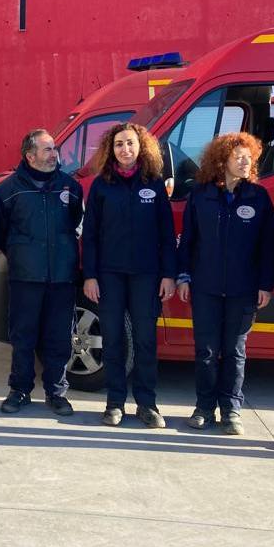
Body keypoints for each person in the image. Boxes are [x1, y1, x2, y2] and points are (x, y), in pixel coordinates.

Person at [176, 132, 274, 435]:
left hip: (243, 289)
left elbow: (267, 246)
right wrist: (184, 276)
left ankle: (232, 409)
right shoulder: (200, 195)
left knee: (235, 351)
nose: (245, 162)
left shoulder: (258, 197)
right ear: (222, 160)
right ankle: (204, 407)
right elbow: (188, 241)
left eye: (249, 157)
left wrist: (265, 284)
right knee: (205, 351)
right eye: (238, 157)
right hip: (205, 286)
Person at [83, 123, 176, 428]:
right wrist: (90, 276)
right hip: (109, 276)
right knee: (113, 340)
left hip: (146, 276)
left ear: (141, 147)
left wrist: (168, 275)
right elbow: (92, 236)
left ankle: (147, 404)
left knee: (146, 340)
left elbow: (166, 233)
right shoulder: (101, 186)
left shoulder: (153, 183)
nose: (125, 149)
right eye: (119, 144)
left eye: (131, 144)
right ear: (112, 148)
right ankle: (114, 403)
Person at [0, 129, 83, 417]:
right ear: (29, 155)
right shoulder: (9, 190)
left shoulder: (70, 187)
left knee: (59, 337)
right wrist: (23, 253)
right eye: (47, 149)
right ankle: (19, 390)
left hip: (62, 276)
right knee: (23, 337)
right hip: (26, 277)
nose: (54, 154)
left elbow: (76, 224)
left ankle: (57, 392)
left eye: (54, 149)